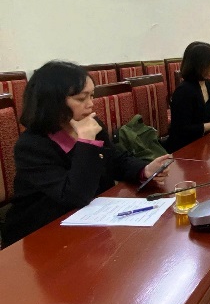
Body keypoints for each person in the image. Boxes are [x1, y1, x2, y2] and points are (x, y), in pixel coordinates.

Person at [1, 61, 172, 247]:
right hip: (43, 233)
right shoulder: (32, 145)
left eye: (91, 96)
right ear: (53, 101)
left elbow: (113, 160)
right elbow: (74, 195)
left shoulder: (90, 124)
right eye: (81, 98)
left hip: (89, 221)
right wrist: (87, 142)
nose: (90, 104)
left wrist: (144, 170)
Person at [166, 41, 210, 153]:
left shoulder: (208, 84)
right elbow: (183, 129)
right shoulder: (184, 91)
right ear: (202, 64)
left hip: (205, 143)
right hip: (185, 149)